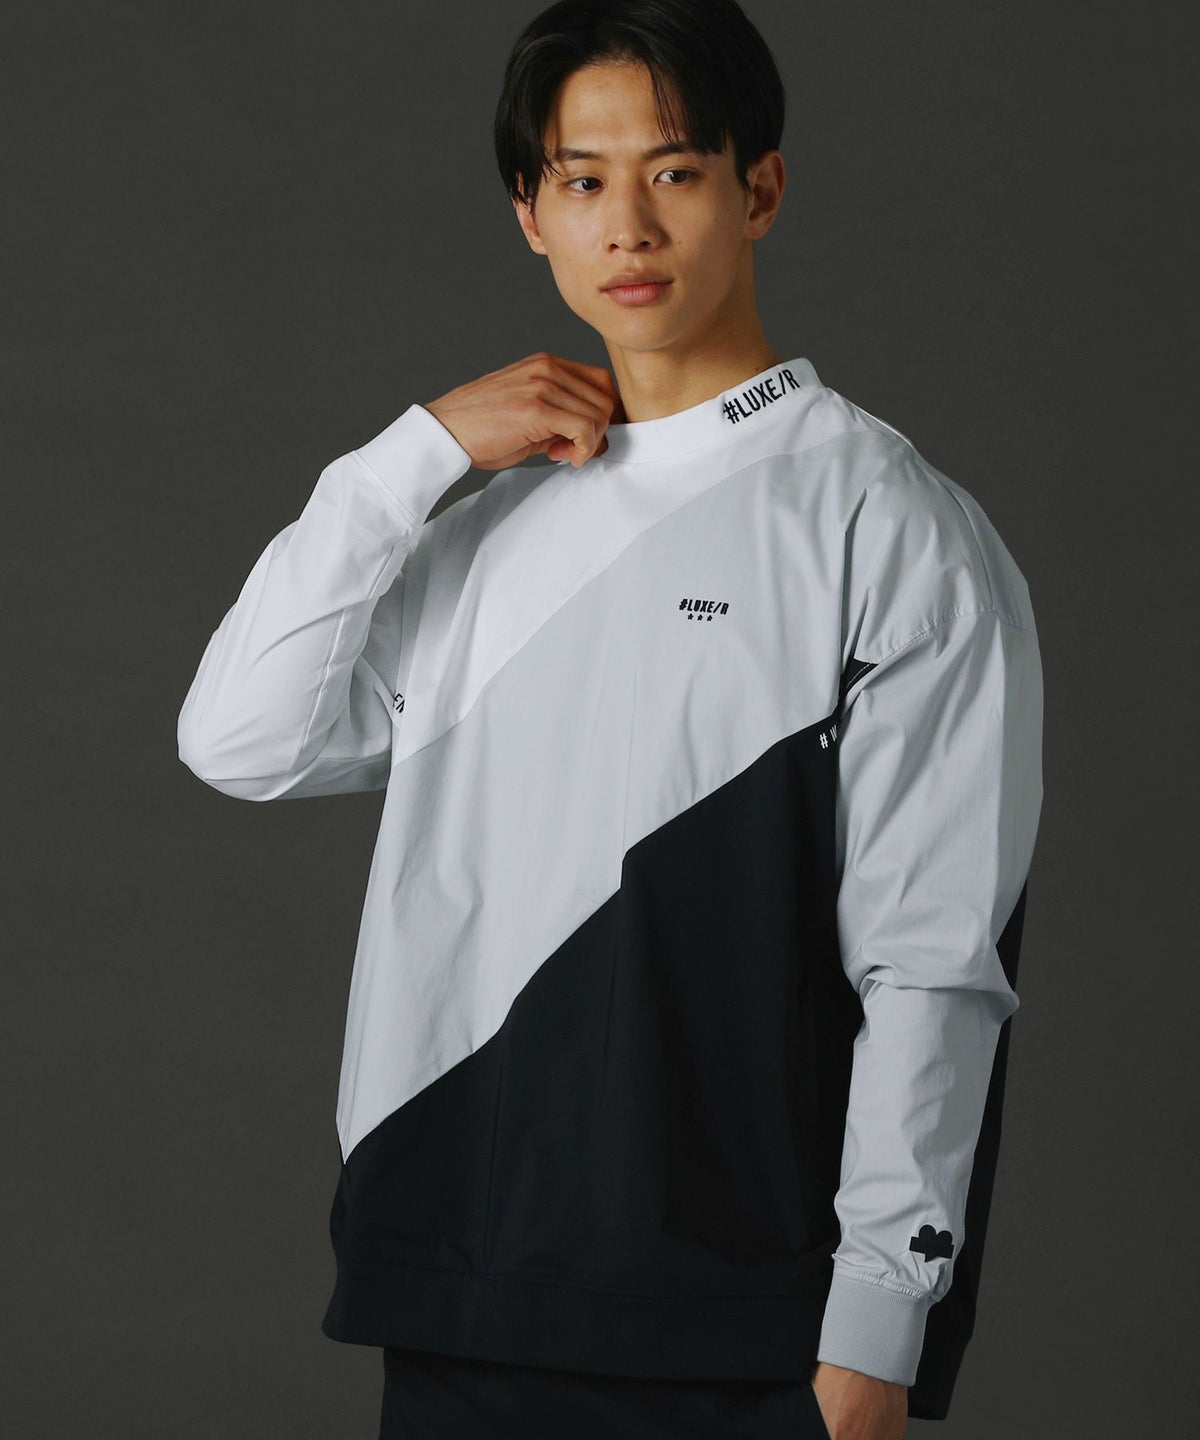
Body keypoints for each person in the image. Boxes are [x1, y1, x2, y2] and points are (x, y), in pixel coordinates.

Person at [176, 1, 1044, 1436]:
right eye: (582, 180)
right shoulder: (483, 528)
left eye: (675, 171)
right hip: (453, 1293)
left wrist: (881, 1323)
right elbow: (242, 738)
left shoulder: (888, 525)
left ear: (760, 189)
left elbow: (934, 961)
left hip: (746, 1325)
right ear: (531, 215)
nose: (628, 226)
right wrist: (410, 459)